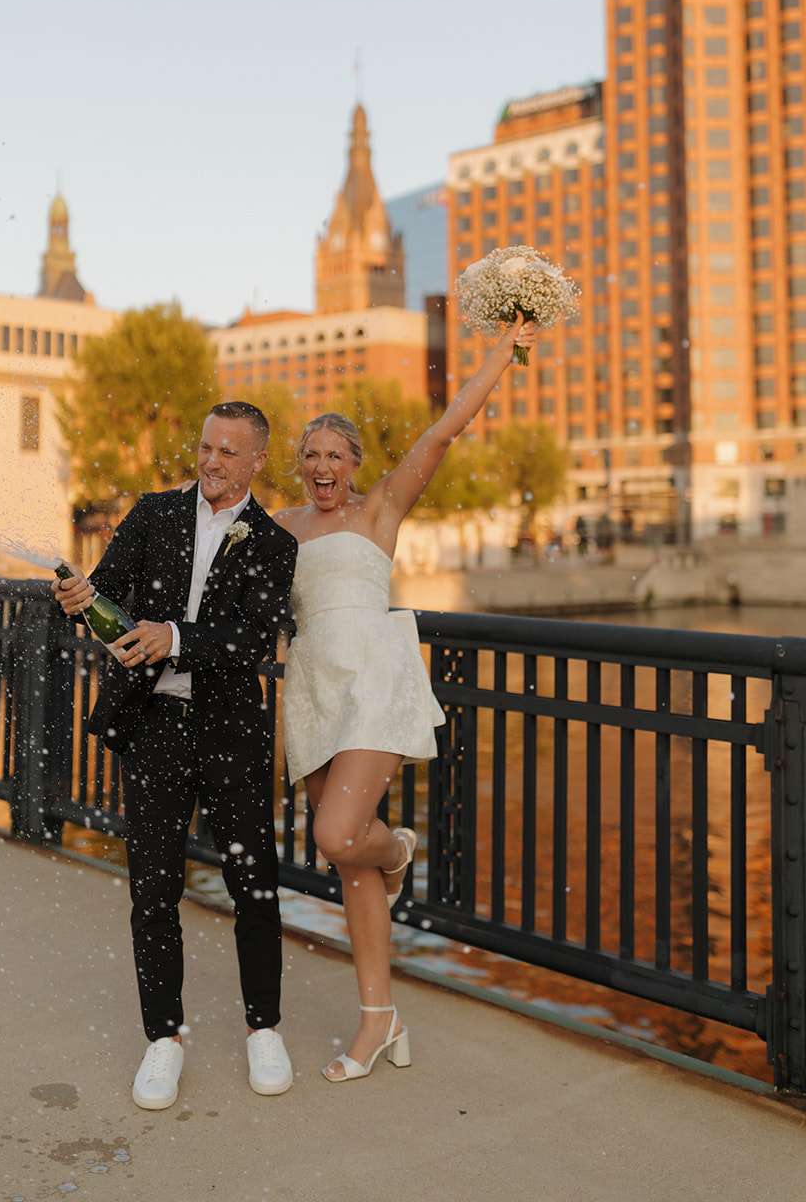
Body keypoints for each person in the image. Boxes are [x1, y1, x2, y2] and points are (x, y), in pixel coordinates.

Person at [273, 314, 535, 1083]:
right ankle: (378, 1022)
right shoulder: (277, 525)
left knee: (339, 835)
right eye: (310, 455)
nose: (322, 466)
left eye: (334, 455)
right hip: (315, 688)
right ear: (298, 466)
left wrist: (501, 349)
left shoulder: (380, 507)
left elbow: (446, 430)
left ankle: (400, 850)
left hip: (376, 681)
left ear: (353, 464)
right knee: (347, 863)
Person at [52, 401, 298, 1112]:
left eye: (227, 451)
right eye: (205, 447)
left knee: (255, 884)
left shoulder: (274, 543)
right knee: (152, 890)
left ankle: (264, 1028)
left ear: (256, 461)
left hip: (230, 732)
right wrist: (76, 598)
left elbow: (251, 640)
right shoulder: (154, 513)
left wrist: (176, 637)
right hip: (153, 726)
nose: (211, 461)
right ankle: (163, 1039)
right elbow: (103, 595)